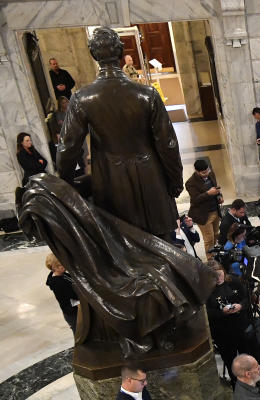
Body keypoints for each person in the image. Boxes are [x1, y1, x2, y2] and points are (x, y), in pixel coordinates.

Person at [56, 28, 183, 241]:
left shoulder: (82, 99)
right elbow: (168, 144)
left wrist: (68, 187)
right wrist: (174, 181)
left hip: (111, 187)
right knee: (165, 251)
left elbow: (67, 149)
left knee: (122, 252)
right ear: (121, 50)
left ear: (93, 55)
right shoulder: (147, 94)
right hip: (151, 181)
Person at [205, 260, 253, 381]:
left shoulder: (234, 281)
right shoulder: (206, 290)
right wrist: (221, 312)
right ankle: (236, 386)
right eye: (214, 277)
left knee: (247, 358)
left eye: (220, 275)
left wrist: (240, 306)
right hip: (223, 334)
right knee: (230, 362)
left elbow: (247, 298)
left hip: (241, 328)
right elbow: (206, 314)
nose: (219, 279)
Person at [185, 159, 223, 253]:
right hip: (203, 215)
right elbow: (195, 200)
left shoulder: (211, 174)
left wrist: (219, 196)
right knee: (209, 239)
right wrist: (208, 193)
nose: (206, 174)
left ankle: (216, 255)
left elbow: (216, 187)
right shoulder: (190, 183)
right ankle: (211, 261)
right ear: (197, 171)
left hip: (215, 211)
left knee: (216, 235)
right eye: (203, 173)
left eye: (207, 171)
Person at [45, 253, 79, 333]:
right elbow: (73, 295)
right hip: (72, 312)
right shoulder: (58, 282)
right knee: (78, 331)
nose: (64, 266)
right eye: (60, 265)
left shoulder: (63, 274)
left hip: (74, 308)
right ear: (53, 267)